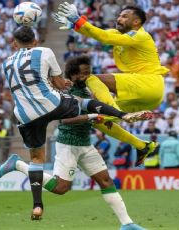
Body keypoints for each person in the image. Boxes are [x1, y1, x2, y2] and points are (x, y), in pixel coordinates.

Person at [0, 26, 152, 221]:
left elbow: (32, 81)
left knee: (104, 180)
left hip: (32, 117)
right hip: (68, 142)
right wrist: (92, 116)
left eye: (88, 72)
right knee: (61, 187)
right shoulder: (53, 68)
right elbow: (65, 113)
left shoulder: (7, 62)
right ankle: (19, 165)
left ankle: (127, 224)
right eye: (81, 74)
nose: (85, 77)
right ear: (35, 42)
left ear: (14, 44)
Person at [53, 4, 169, 165]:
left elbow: (105, 38)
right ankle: (142, 145)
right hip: (150, 96)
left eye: (124, 16)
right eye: (119, 16)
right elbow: (97, 33)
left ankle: (117, 114)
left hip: (148, 82)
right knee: (99, 120)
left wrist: (79, 20)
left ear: (136, 22)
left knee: (91, 78)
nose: (119, 19)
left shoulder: (140, 35)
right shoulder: (119, 34)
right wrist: (75, 25)